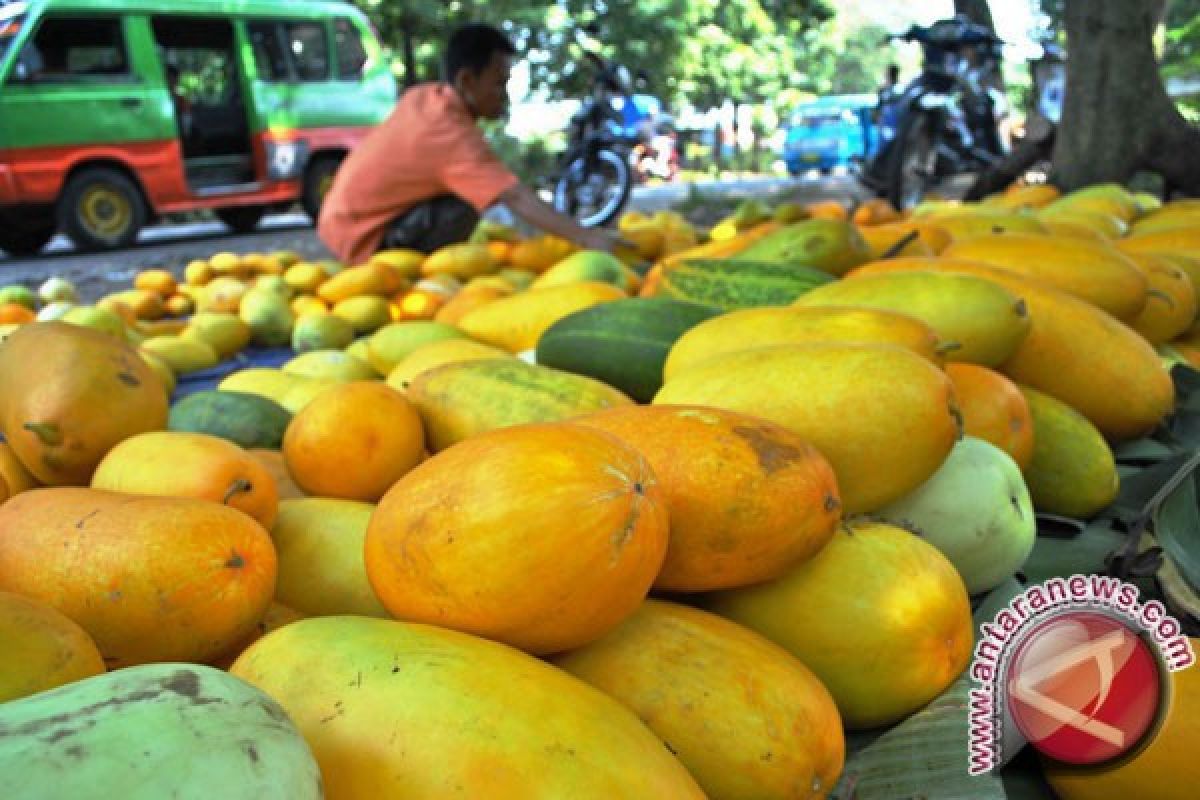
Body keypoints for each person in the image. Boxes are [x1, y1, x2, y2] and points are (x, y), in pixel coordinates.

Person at [318, 23, 626, 266]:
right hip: (361, 241)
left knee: (468, 191)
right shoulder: (450, 133)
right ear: (466, 81)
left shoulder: (425, 97)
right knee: (464, 206)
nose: (504, 95)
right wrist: (585, 237)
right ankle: (413, 276)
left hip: (339, 224)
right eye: (499, 83)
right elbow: (513, 197)